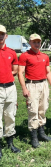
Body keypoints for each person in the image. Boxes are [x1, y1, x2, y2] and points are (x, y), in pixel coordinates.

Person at [18, 33, 51, 148]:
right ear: (30, 43)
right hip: (32, 85)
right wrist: (24, 88)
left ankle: (41, 133)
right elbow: (20, 72)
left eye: (38, 42)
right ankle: (33, 137)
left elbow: (48, 72)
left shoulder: (44, 56)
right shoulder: (25, 56)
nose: (37, 44)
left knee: (43, 108)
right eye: (34, 42)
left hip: (43, 84)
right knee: (33, 110)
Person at [0, 25, 20, 158]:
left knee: (10, 115)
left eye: (2, 34)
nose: (0, 36)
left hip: (11, 87)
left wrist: (7, 74)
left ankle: (10, 141)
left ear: (6, 36)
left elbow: (16, 69)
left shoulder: (11, 52)